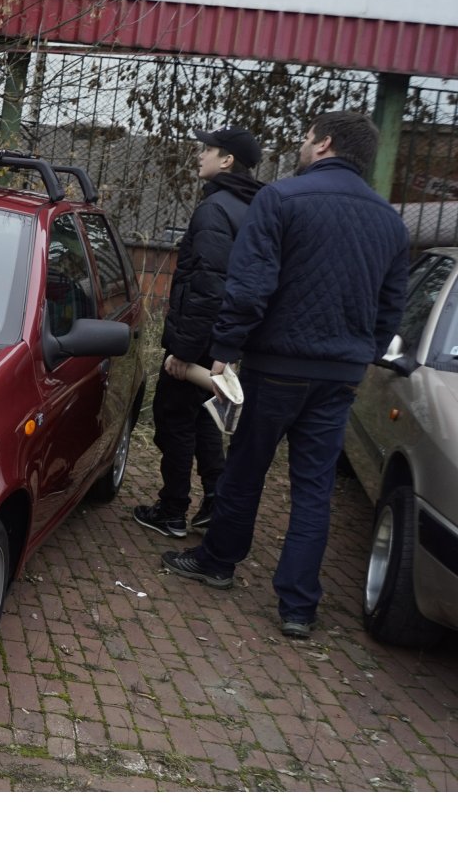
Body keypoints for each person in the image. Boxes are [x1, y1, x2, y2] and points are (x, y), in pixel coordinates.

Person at [160, 111, 410, 639]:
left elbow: (250, 286)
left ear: (324, 144)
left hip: (277, 366)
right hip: (339, 374)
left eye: (305, 137)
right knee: (314, 488)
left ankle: (219, 562)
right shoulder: (389, 221)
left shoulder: (282, 199)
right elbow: (392, 308)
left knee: (247, 468)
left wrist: (225, 347)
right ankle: (298, 606)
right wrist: (359, 357)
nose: (300, 144)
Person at [133, 127, 264, 539]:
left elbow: (207, 284)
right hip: (223, 337)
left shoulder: (215, 210)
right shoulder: (253, 207)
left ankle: (172, 510)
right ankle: (214, 500)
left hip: (199, 338)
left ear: (227, 160)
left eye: (207, 149)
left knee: (172, 420)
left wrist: (184, 351)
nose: (199, 155)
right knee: (203, 415)